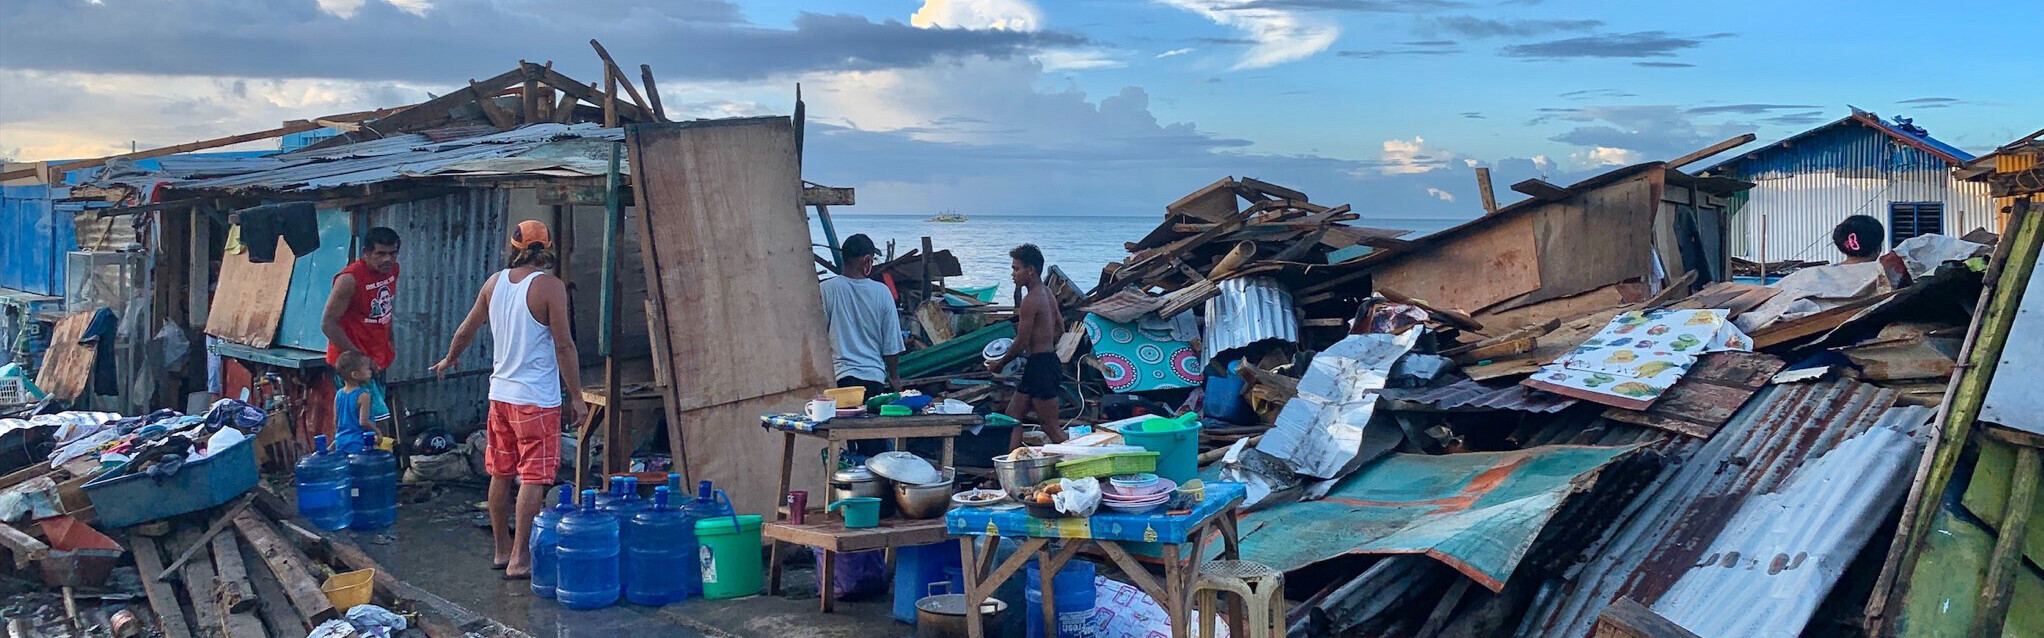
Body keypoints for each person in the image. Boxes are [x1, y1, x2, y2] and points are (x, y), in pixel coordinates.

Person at [431, 220, 585, 579]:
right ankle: (520, 559)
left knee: (500, 474)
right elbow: (564, 345)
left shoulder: (494, 283)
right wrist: (577, 396)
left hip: (500, 396)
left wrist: (450, 358)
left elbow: (466, 328)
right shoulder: (550, 287)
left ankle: (502, 551)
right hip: (536, 400)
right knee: (532, 477)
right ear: (547, 247)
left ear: (512, 246)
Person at [321, 227, 401, 431]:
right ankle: (376, 461)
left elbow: (385, 310)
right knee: (372, 422)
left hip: (377, 358)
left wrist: (389, 341)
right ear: (365, 253)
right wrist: (361, 359)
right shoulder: (349, 279)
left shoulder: (393, 270)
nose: (388, 259)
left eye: (393, 253)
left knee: (371, 419)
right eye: (380, 254)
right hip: (353, 364)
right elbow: (328, 324)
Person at [988, 244, 1067, 449]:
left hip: (1041, 367)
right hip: (1043, 363)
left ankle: (1086, 460)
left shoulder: (1030, 301)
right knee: (1013, 417)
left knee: (1050, 427)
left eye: (1016, 269)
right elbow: (1060, 327)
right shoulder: (1048, 293)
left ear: (1030, 270)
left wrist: (999, 363)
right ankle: (1013, 463)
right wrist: (1045, 345)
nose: (1013, 274)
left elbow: (1021, 342)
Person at [820, 234, 904, 396]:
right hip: (874, 378)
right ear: (867, 260)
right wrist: (894, 377)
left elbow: (819, 337)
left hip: (840, 378)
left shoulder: (827, 289)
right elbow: (891, 345)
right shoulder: (882, 292)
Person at [332, 352, 381, 454]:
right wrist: (377, 431)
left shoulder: (339, 394)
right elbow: (363, 422)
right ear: (355, 375)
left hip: (341, 442)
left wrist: (336, 440)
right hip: (358, 443)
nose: (370, 371)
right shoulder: (363, 396)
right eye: (367, 369)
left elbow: (336, 420)